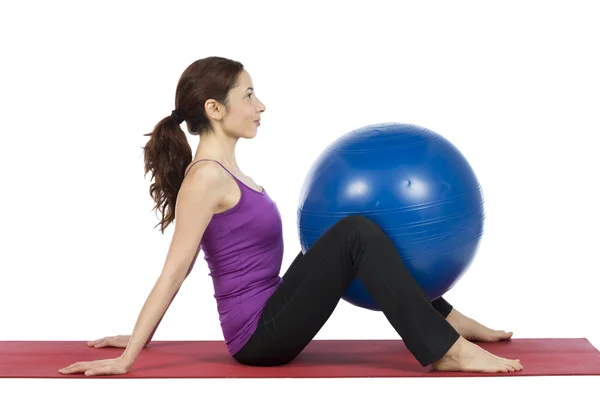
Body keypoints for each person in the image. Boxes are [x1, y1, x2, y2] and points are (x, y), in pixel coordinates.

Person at [59, 56, 523, 377]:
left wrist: (132, 335)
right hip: (258, 339)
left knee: (357, 235)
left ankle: (448, 321)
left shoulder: (226, 170)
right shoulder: (205, 179)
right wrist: (130, 355)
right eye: (249, 95)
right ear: (214, 109)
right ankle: (444, 351)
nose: (260, 106)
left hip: (273, 308)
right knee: (355, 232)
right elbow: (173, 273)